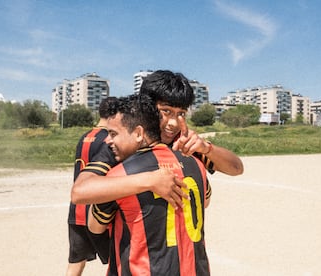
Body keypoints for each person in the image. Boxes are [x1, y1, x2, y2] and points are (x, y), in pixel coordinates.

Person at [72, 70, 243, 205]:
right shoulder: (127, 144)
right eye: (166, 112)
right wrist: (150, 180)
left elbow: (236, 168)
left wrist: (207, 149)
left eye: (181, 113)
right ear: (148, 108)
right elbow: (80, 192)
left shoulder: (183, 143)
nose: (173, 123)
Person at [88, 94, 211, 275]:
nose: (108, 140)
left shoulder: (120, 176)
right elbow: (205, 202)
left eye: (113, 134)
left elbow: (94, 226)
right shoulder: (196, 164)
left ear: (138, 133)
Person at [66, 97, 118, 276]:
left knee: (76, 262)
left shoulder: (84, 137)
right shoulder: (109, 139)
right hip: (97, 213)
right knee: (116, 261)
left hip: (76, 211)